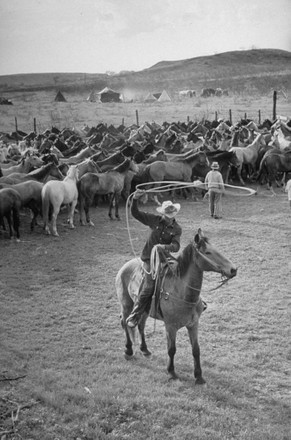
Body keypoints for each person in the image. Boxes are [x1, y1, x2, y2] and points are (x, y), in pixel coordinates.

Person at [126, 190, 182, 328]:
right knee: (149, 286)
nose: (169, 217)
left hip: (165, 258)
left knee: (183, 273)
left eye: (171, 214)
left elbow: (176, 246)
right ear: (163, 213)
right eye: (167, 214)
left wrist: (163, 247)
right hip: (148, 259)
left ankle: (196, 302)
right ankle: (136, 314)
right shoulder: (154, 220)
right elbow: (136, 214)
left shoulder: (177, 228)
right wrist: (135, 199)